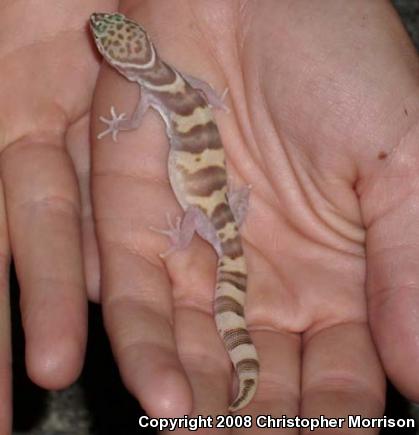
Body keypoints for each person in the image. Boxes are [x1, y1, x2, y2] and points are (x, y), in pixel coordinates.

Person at [0, 0, 418, 432]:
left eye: (108, 35)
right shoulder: (172, 79)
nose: (101, 31)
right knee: (216, 224)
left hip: (207, 212)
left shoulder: (149, 90)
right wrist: (216, 98)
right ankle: (244, 353)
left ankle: (240, 349)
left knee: (198, 220)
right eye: (108, 35)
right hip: (221, 208)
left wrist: (179, 232)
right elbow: (198, 86)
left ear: (122, 60)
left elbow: (133, 119)